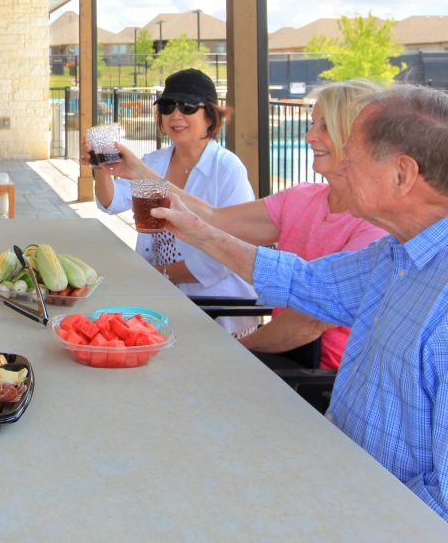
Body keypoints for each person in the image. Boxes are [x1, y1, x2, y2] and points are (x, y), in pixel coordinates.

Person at [154, 85, 448, 541]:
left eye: (354, 157)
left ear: (403, 174)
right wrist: (199, 232)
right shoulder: (407, 254)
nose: (339, 165)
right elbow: (309, 284)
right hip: (358, 494)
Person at [111, 79, 386, 370]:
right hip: (276, 355)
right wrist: (140, 172)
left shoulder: (376, 225)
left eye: (324, 127)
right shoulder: (303, 198)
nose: (308, 136)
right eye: (313, 124)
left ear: (358, 135)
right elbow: (216, 219)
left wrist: (229, 350)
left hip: (318, 376)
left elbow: (307, 324)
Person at [88, 68, 256, 333]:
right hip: (162, 298)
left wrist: (157, 274)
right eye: (167, 106)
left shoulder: (227, 169)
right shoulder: (156, 162)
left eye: (188, 106)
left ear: (210, 116)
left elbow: (230, 251)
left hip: (217, 307)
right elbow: (111, 202)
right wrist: (99, 165)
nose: (176, 114)